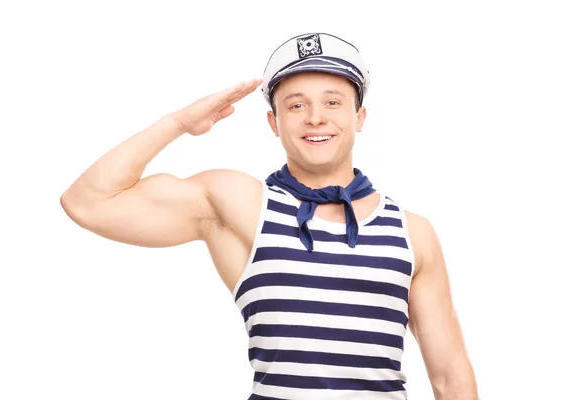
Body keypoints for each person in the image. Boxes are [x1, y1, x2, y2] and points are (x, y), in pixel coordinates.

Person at [61, 32, 479, 399]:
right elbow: (88, 201)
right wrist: (179, 122)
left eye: (333, 102)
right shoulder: (240, 205)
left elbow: (451, 381)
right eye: (296, 106)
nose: (316, 117)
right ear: (273, 123)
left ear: (359, 117)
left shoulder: (412, 233)